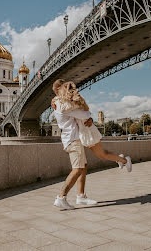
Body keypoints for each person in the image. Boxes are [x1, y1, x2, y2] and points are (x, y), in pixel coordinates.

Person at [52, 80, 132, 172]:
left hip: (87, 130)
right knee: (97, 157)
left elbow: (85, 114)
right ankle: (120, 158)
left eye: (58, 92)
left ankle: (124, 160)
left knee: (102, 155)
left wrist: (90, 119)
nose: (57, 95)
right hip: (82, 132)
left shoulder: (72, 101)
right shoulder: (64, 100)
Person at [52, 79, 98, 210]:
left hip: (73, 139)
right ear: (60, 89)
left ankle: (81, 196)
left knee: (83, 167)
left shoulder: (60, 102)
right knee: (77, 169)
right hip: (72, 140)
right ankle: (61, 197)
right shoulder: (61, 104)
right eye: (67, 88)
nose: (70, 91)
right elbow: (84, 113)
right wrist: (89, 116)